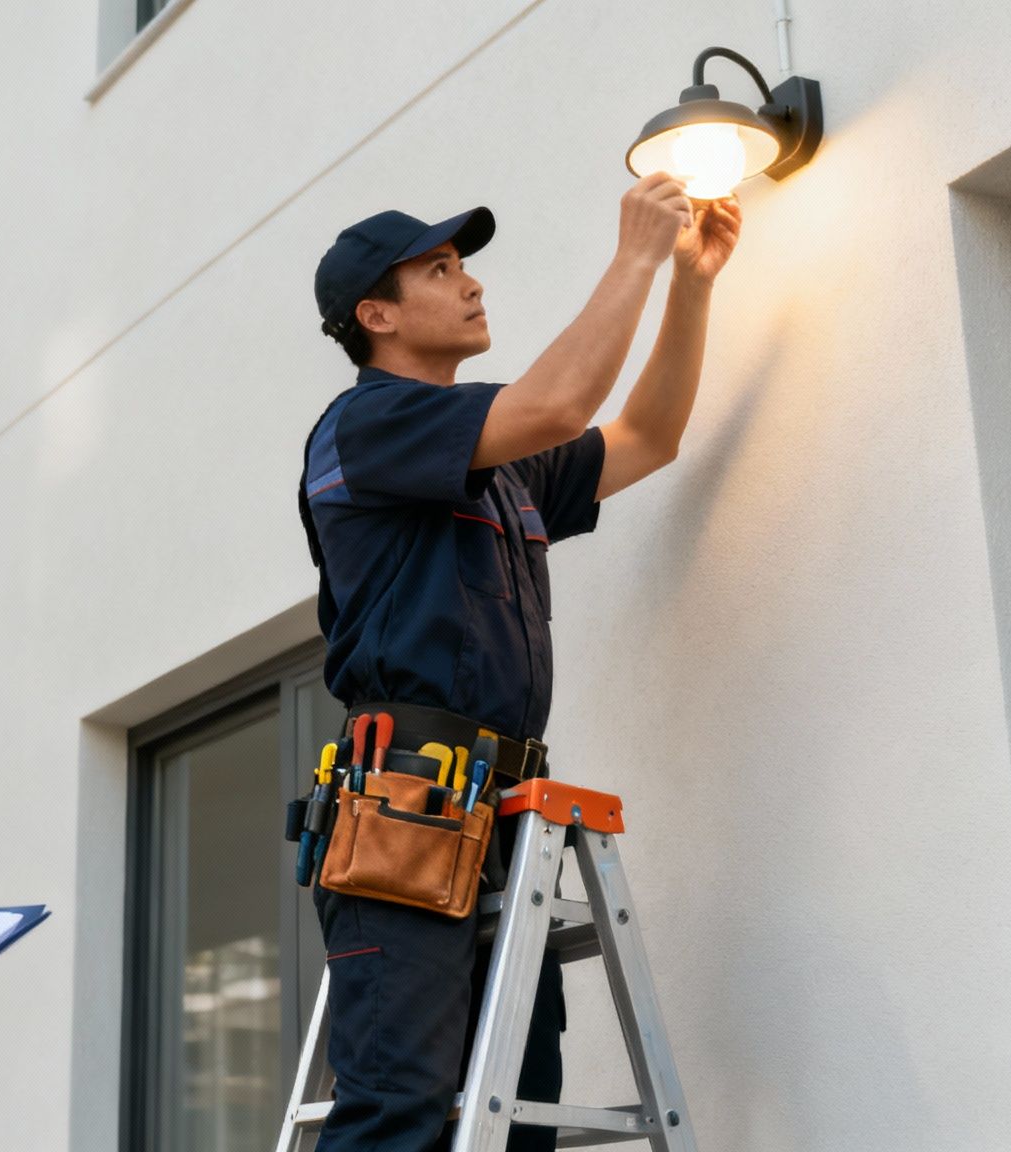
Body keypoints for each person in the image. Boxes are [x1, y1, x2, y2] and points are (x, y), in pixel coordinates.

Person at [297, 172, 742, 1150]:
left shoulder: (497, 462)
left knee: (514, 1120)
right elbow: (555, 404)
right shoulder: (361, 428)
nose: (470, 284)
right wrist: (629, 254)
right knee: (396, 1111)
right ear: (375, 314)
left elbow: (646, 437)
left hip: (501, 816)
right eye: (441, 269)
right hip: (404, 809)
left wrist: (688, 283)